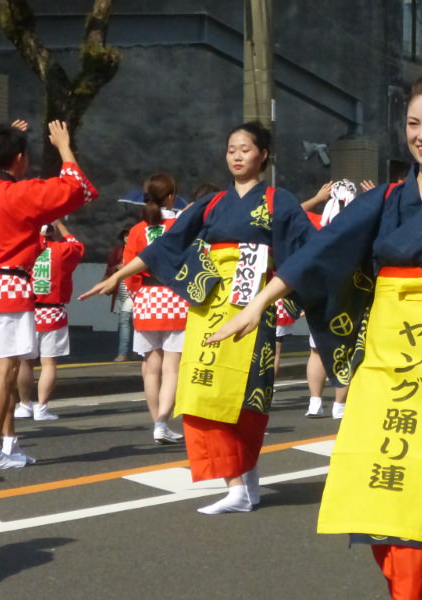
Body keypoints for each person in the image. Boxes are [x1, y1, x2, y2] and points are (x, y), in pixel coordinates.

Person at [207, 58, 422, 599]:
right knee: (381, 473)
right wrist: (259, 303)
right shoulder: (389, 198)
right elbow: (323, 252)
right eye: (414, 125)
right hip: (386, 351)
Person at [81, 122, 313, 514]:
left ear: (263, 155)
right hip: (210, 307)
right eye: (231, 150)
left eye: (245, 149)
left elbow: (309, 250)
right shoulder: (212, 203)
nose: (237, 156)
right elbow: (168, 245)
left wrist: (294, 295)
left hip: (255, 308)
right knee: (204, 392)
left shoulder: (280, 201)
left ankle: (248, 482)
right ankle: (235, 485)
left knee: (248, 399)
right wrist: (119, 275)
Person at [0, 119, 97, 470]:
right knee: (3, 371)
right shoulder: (23, 192)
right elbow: (77, 188)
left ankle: (9, 444)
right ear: (19, 159)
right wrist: (64, 146)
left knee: (1, 368)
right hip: (10, 286)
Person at [121, 173, 188, 444]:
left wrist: (139, 294)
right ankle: (163, 422)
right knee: (173, 367)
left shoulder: (138, 230)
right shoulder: (181, 226)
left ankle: (156, 423)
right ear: (171, 197)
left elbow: (129, 269)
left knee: (150, 366)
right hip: (176, 298)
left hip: (146, 299)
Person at [298, 179, 359, 418]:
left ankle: (315, 402)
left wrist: (316, 198)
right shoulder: (357, 227)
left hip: (320, 292)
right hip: (350, 293)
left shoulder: (318, 225)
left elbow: (293, 213)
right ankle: (339, 406)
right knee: (344, 349)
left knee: (316, 350)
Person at [14, 220, 85, 421]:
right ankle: (41, 408)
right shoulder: (63, 250)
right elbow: (77, 246)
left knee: (25, 362)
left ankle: (24, 405)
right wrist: (62, 227)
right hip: (53, 312)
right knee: (49, 363)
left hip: (27, 311)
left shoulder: (26, 250)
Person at [105, 227, 134, 362]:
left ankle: (123, 353)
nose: (127, 238)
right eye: (125, 235)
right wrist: (116, 267)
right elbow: (109, 269)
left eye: (129, 235)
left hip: (134, 291)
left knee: (124, 320)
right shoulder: (117, 251)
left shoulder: (139, 250)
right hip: (121, 291)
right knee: (124, 321)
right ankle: (125, 352)